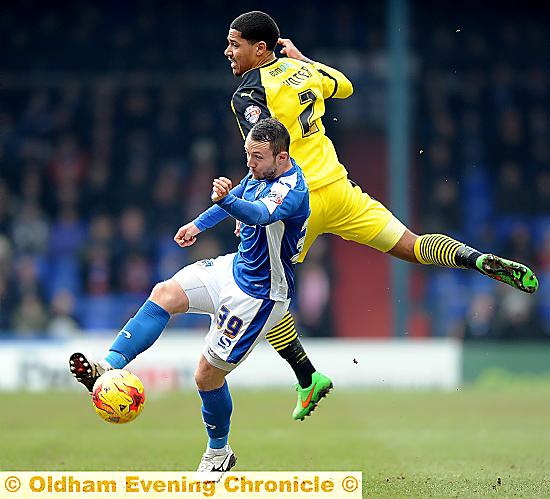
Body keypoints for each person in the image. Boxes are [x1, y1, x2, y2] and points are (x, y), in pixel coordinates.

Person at [222, 11, 539, 417]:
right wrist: (303, 61)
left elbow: (264, 152)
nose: (229, 52)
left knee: (263, 290)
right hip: (338, 187)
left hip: (295, 201)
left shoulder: (247, 95)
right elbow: (347, 86)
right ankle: (475, 259)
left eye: (236, 44)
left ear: (259, 47)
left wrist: (246, 202)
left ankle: (307, 377)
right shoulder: (304, 72)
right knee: (408, 245)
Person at [69, 118, 311, 478]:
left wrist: (227, 200)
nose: (249, 164)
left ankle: (219, 453)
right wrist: (198, 224)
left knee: (206, 377)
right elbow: (239, 196)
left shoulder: (292, 189)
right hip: (234, 269)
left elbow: (259, 214)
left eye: (257, 157)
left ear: (282, 157)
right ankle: (110, 365)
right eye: (246, 154)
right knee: (164, 292)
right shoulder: (259, 173)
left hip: (261, 296)